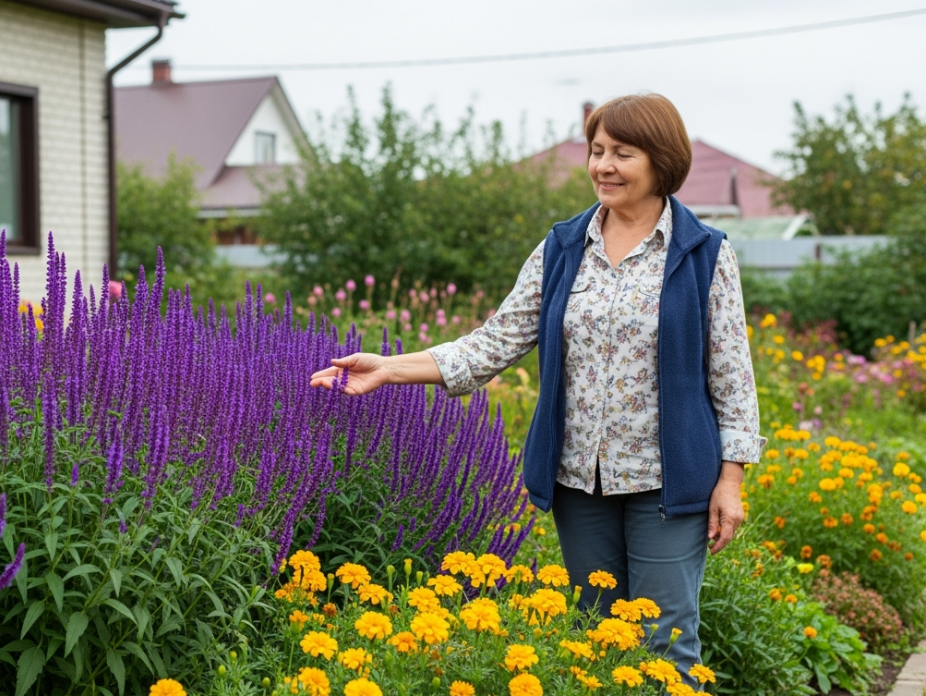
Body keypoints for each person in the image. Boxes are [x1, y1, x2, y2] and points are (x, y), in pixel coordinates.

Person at [309, 93, 765, 681]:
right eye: (597, 151)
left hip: (669, 484)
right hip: (579, 483)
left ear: (661, 161)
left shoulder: (704, 254)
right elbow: (495, 340)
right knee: (595, 644)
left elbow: (732, 376)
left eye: (622, 154)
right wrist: (391, 367)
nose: (603, 165)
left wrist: (731, 480)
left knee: (666, 645)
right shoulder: (562, 248)